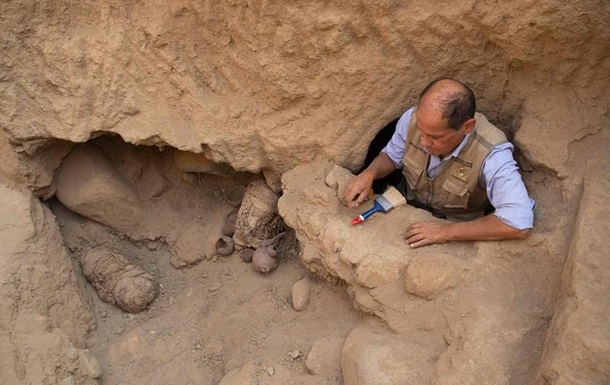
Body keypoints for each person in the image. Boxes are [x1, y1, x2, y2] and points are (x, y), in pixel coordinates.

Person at [345, 78, 535, 248]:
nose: (424, 142)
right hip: (403, 205)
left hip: (455, 226)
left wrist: (445, 232)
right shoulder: (411, 119)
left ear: (466, 127)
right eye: (421, 130)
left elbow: (518, 221)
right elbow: (392, 157)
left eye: (435, 137)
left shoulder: (492, 152)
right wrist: (369, 174)